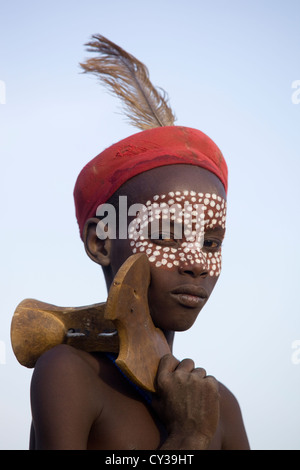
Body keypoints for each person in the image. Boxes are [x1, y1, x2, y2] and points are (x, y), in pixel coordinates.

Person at [29, 36, 250, 450]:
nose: (197, 263)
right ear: (101, 242)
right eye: (167, 234)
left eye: (211, 242)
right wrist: (188, 437)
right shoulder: (72, 375)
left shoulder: (221, 407)